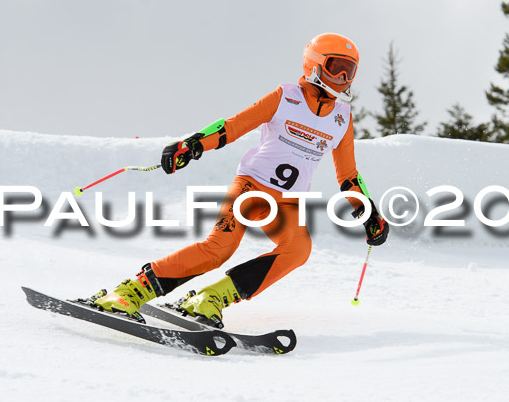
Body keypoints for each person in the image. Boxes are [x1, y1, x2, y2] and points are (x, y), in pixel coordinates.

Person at [88, 33, 389, 327]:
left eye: (350, 72)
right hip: (251, 187)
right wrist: (192, 145)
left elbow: (348, 176)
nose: (343, 78)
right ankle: (130, 291)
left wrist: (369, 213)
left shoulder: (342, 117)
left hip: (287, 203)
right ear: (314, 64)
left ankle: (210, 299)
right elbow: (232, 127)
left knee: (298, 250)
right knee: (219, 249)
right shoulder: (286, 97)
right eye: (337, 68)